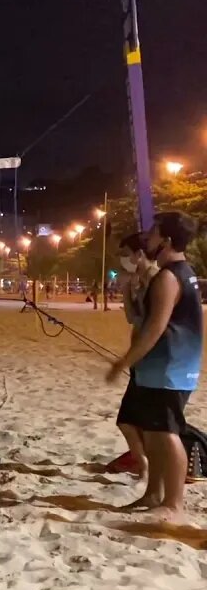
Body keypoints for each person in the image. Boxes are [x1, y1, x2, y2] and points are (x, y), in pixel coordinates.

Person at [106, 211, 202, 523]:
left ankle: (173, 503)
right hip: (163, 368)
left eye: (154, 232)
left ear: (168, 240)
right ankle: (154, 494)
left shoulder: (169, 277)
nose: (148, 237)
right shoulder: (178, 272)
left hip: (170, 367)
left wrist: (124, 360)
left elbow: (154, 328)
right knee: (154, 433)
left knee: (166, 434)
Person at [112, 232, 161, 479]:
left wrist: (127, 359)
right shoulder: (139, 280)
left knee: (135, 420)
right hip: (140, 358)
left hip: (151, 358)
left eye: (126, 254)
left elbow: (155, 324)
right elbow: (133, 318)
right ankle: (143, 465)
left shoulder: (157, 279)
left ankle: (146, 467)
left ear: (139, 254)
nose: (123, 260)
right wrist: (126, 291)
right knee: (127, 420)